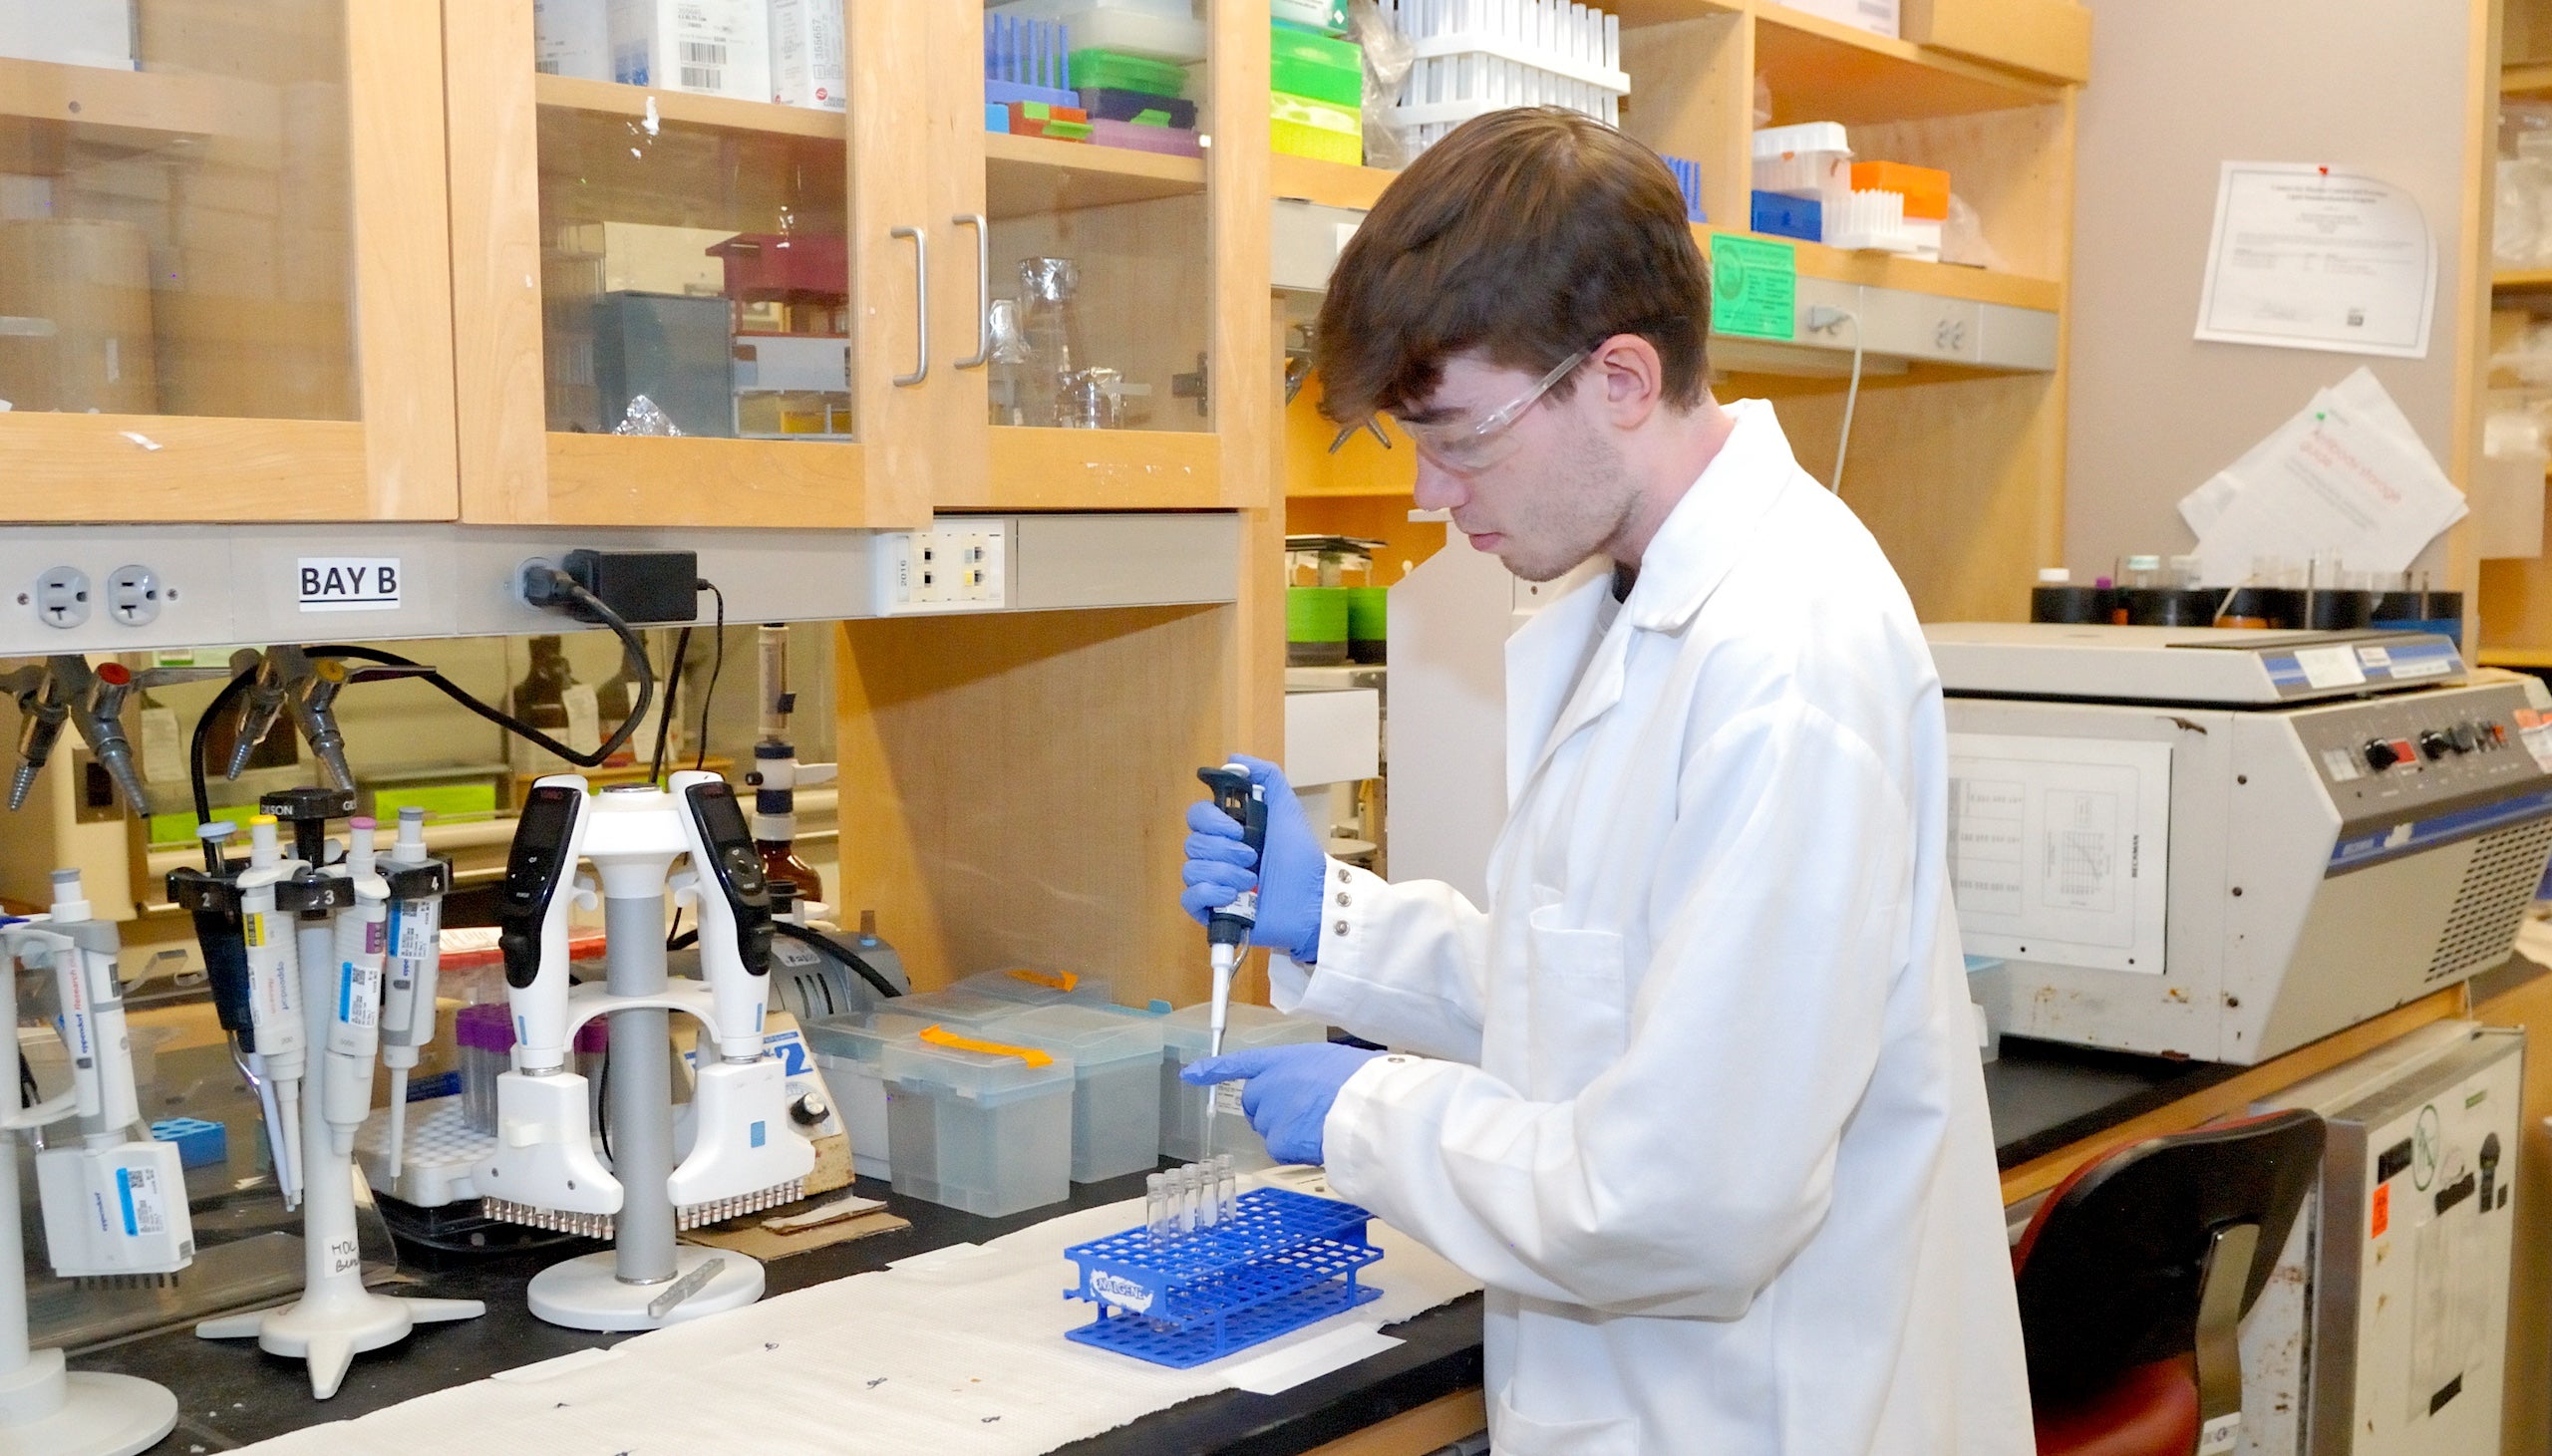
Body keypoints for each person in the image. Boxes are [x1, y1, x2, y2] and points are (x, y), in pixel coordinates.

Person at [1178, 108, 2033, 1454]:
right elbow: (1599, 988)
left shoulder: (1786, 660)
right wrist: (1330, 919)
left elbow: (1686, 1195)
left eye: (1459, 437)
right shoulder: (1628, 596)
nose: (1431, 493)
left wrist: (1370, 1115)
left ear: (1622, 379)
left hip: (1765, 1410)